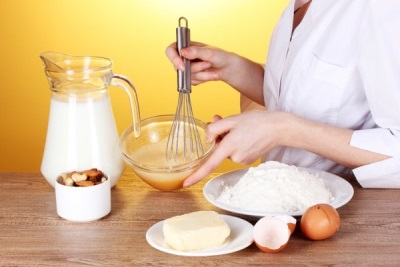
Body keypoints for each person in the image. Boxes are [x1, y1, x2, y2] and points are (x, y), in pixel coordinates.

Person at [166, 0, 400, 189]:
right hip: (280, 200)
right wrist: (231, 67)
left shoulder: (381, 6)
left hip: (346, 216)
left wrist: (284, 129)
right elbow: (294, 94)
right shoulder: (295, 7)